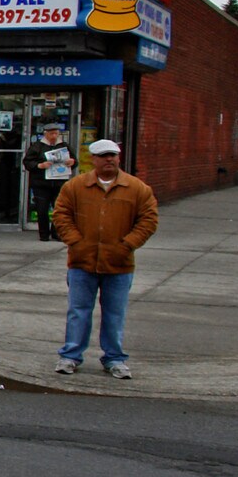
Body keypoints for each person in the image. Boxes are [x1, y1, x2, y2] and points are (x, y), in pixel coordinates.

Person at [51, 138, 158, 379]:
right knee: (79, 310)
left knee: (114, 313)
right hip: (82, 262)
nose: (109, 159)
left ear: (119, 158)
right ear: (93, 160)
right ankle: (70, 356)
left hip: (119, 264)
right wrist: (76, 242)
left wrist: (127, 245)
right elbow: (61, 215)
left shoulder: (137, 188)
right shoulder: (75, 187)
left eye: (113, 155)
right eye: (104, 156)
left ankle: (114, 359)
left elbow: (148, 220)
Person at [22, 123, 71, 240]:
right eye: (51, 134)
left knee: (58, 209)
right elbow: (27, 162)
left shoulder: (64, 146)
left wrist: (71, 162)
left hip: (59, 183)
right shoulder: (37, 146)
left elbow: (74, 161)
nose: (54, 136)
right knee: (42, 210)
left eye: (56, 133)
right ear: (45, 134)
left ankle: (56, 232)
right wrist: (40, 165)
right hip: (41, 184)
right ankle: (44, 234)